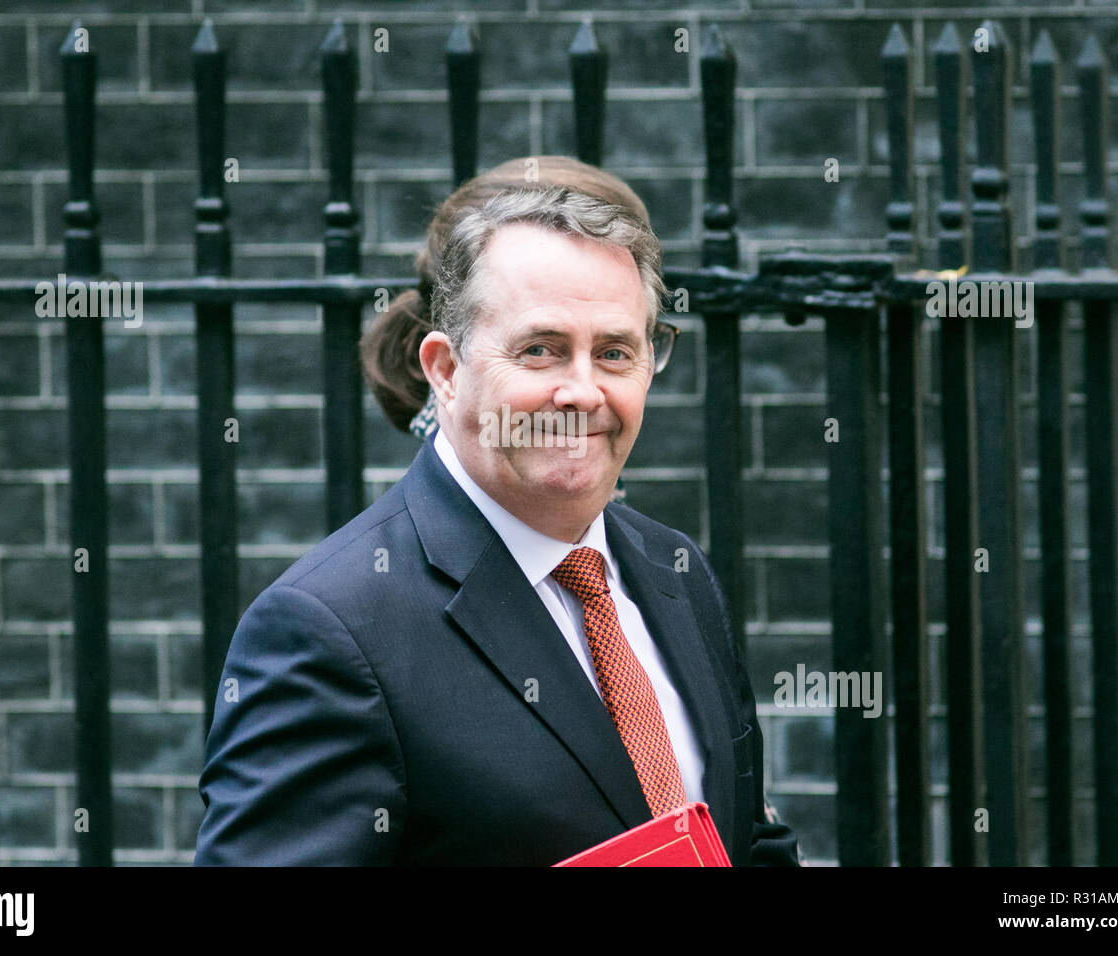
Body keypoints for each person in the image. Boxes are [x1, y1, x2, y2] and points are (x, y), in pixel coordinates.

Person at [194, 170, 800, 866]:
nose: (582, 391)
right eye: (539, 349)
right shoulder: (329, 632)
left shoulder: (675, 572)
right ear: (445, 370)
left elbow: (747, 840)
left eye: (614, 353)